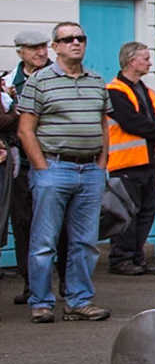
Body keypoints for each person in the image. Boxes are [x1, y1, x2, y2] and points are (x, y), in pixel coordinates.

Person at [16, 22, 111, 321]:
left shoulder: (97, 80)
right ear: (55, 47)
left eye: (80, 38)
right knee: (44, 241)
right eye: (67, 39)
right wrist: (42, 169)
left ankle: (79, 300)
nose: (76, 43)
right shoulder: (40, 82)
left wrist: (101, 164)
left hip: (90, 169)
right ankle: (41, 302)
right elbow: (25, 131)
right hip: (55, 167)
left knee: (85, 242)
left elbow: (102, 126)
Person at [106, 42, 155, 275]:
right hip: (126, 163)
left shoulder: (147, 91)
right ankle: (120, 259)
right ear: (132, 61)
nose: (149, 62)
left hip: (149, 162)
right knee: (126, 213)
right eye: (145, 58)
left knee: (145, 212)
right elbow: (131, 121)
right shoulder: (113, 91)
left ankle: (137, 257)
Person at [4, 29, 52, 301]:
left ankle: (64, 283)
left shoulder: (58, 77)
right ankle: (30, 282)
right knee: (23, 224)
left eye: (44, 47)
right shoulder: (10, 82)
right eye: (34, 48)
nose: (41, 53)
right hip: (21, 164)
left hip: (53, 161)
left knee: (59, 227)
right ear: (21, 52)